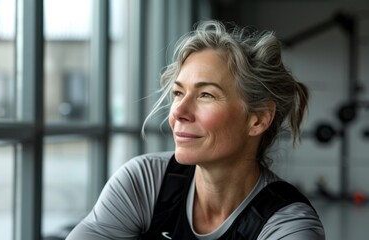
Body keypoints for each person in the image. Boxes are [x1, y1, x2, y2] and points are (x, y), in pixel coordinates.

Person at [66, 20, 325, 240]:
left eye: (206, 95)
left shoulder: (288, 226)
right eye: (178, 93)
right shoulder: (144, 181)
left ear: (257, 119)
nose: (178, 112)